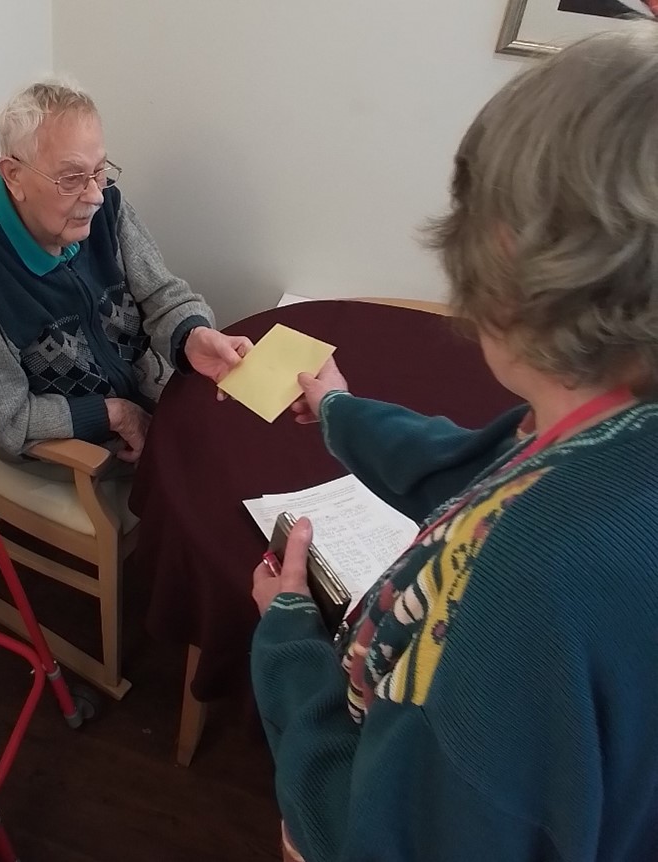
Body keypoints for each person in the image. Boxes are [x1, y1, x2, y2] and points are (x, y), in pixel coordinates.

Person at [250, 22, 658, 862]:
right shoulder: (619, 428)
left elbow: (371, 828)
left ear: (506, 247)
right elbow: (478, 467)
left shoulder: (525, 578)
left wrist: (287, 638)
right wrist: (337, 411)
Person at [0, 81, 250, 465]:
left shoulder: (101, 200)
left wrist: (192, 335)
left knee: (244, 442)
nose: (95, 194)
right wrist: (112, 414)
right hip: (75, 448)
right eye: (72, 178)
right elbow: (2, 416)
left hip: (148, 388)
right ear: (13, 175)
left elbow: (163, 295)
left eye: (99, 171)